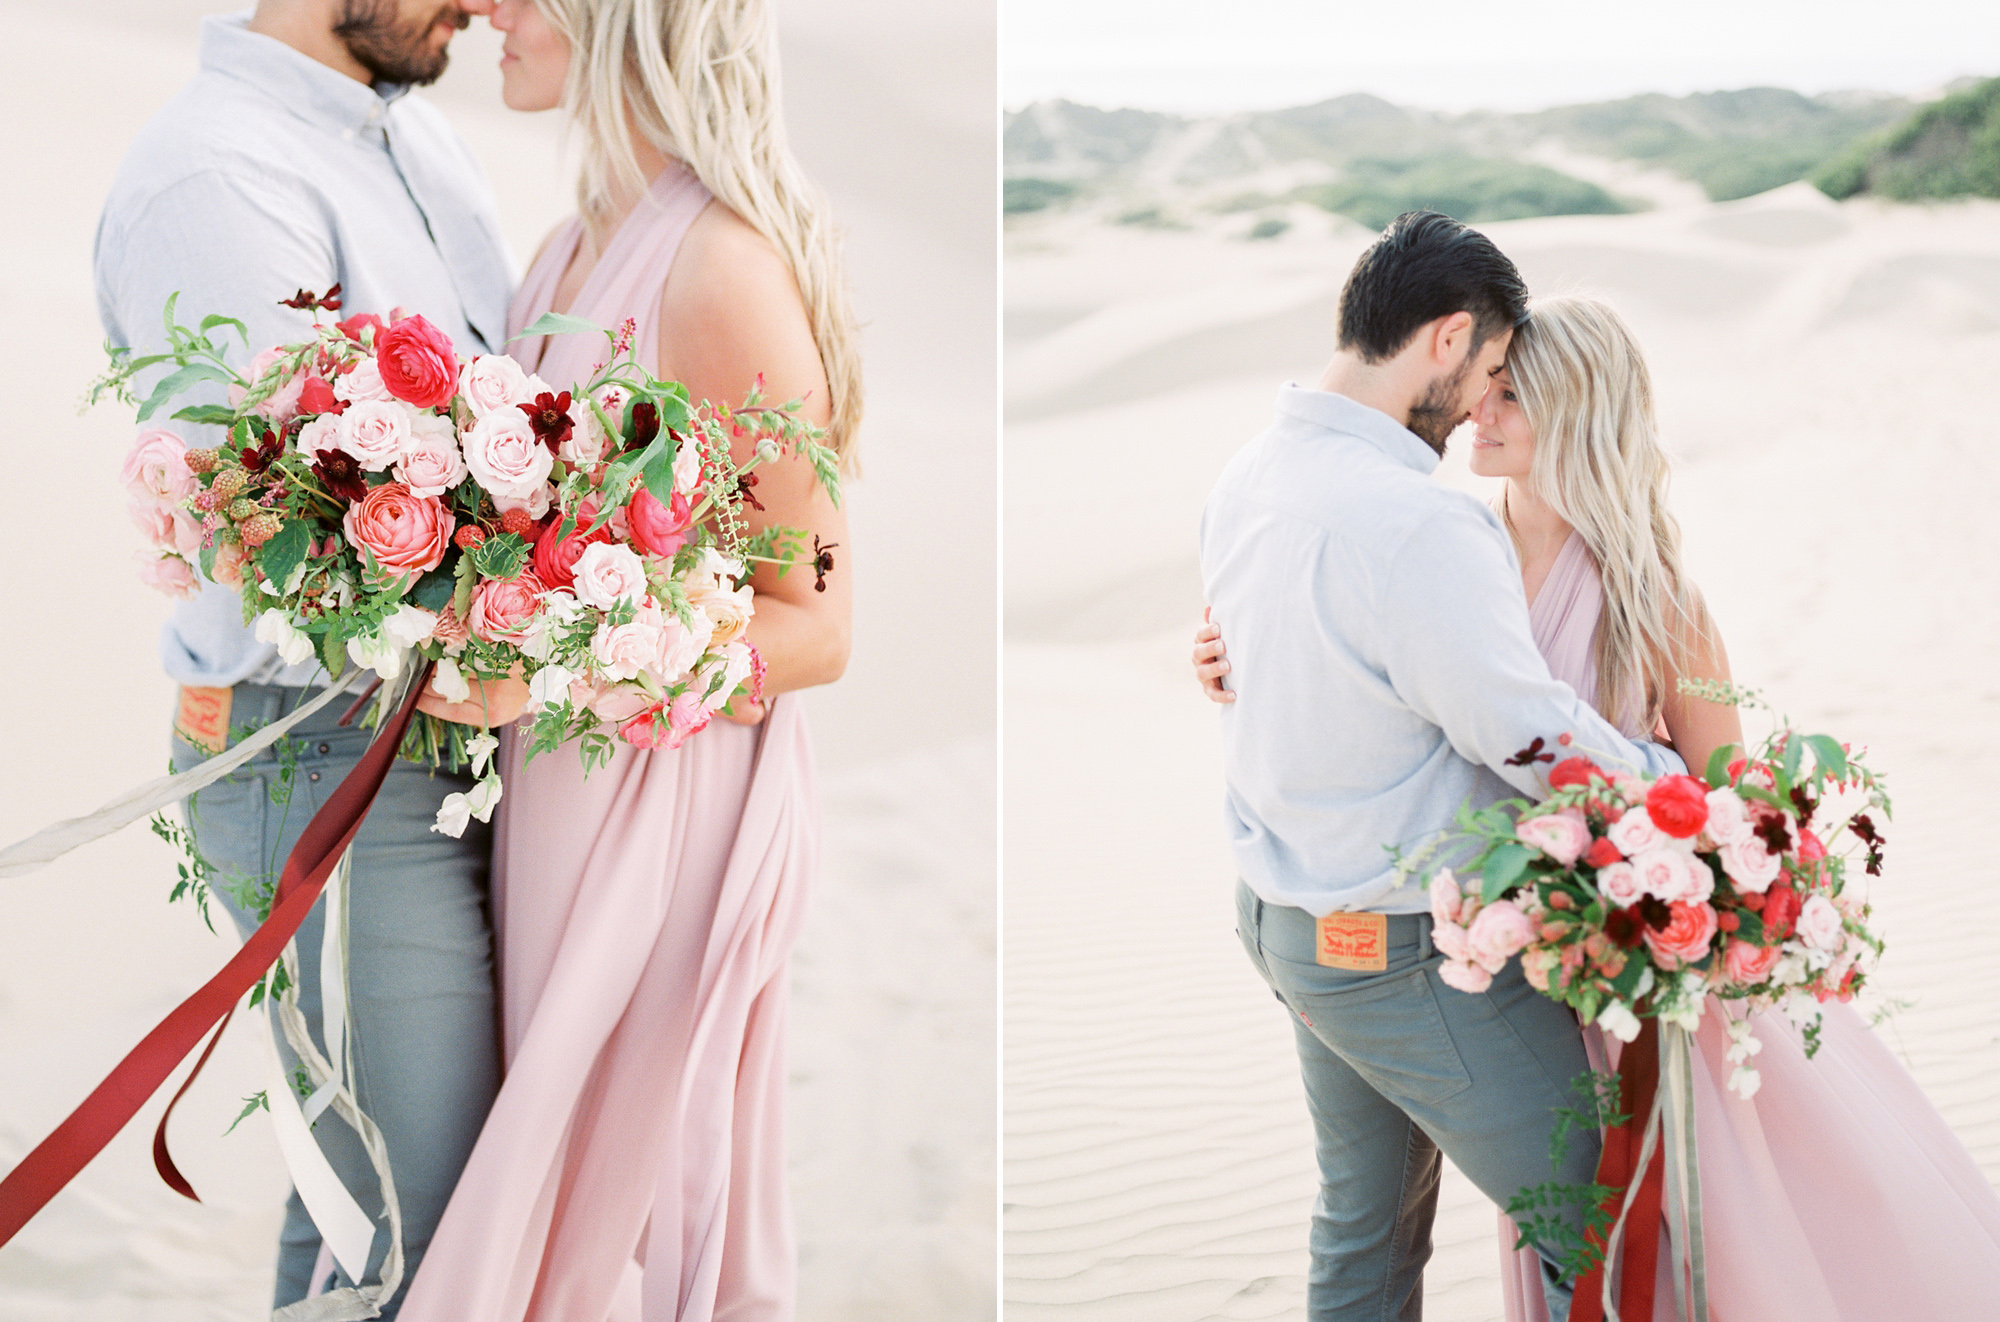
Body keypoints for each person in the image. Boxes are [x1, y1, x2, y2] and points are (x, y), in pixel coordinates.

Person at [1196, 293, 2000, 1317]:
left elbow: (1727, 809)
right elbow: (1337, 660)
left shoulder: (1651, 596)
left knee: (1667, 1231)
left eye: (1507, 395)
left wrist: (1673, 884)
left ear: (1575, 412)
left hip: (1620, 973)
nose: (1475, 414)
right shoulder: (1439, 547)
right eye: (1485, 387)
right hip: (1495, 972)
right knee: (1499, 1226)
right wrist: (1225, 655)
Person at [392, 1, 857, 1318]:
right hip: (562, 791)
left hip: (668, 813)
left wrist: (552, 672)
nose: (489, 8)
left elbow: (818, 621)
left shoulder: (719, 271)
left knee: (621, 1214)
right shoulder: (560, 251)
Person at [94, 2, 510, 1314]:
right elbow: (305, 536)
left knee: (368, 1203)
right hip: (317, 751)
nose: (482, 7)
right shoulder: (222, 174)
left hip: (433, 744)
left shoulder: (415, 136)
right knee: (430, 1236)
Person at [1195, 212, 1686, 1322]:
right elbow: (1519, 731)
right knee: (1603, 1240)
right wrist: (1665, 785)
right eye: (1493, 372)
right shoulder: (1417, 520)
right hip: (1399, 954)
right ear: (1448, 337)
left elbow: (1281, 655)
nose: (1481, 406)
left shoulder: (1250, 472)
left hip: (1288, 924)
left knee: (1362, 1237)